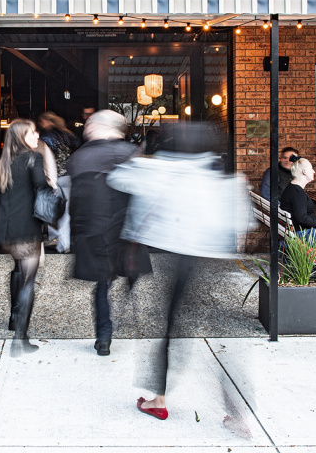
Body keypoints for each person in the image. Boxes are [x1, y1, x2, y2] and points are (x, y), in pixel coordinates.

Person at [107, 122, 251, 421]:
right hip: (215, 263)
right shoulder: (222, 177)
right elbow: (244, 222)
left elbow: (117, 179)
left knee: (171, 331)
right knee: (222, 336)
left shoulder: (163, 169)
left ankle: (158, 399)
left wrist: (138, 158)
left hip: (180, 262)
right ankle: (237, 411)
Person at [68, 110, 148, 357]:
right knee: (127, 275)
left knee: (103, 285)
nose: (86, 128)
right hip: (126, 232)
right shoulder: (132, 154)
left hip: (96, 233)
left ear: (103, 126)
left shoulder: (80, 157)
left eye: (90, 124)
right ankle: (127, 314)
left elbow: (77, 203)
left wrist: (75, 234)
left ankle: (104, 336)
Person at [0, 118, 51, 355]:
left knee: (18, 271)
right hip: (27, 229)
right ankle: (20, 338)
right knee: (28, 280)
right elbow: (42, 188)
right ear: (20, 137)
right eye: (32, 133)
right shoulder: (32, 158)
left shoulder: (2, 164)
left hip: (8, 231)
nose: (37, 136)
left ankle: (13, 318)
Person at [37, 111, 80, 253]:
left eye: (42, 121)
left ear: (48, 122)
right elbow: (77, 146)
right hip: (68, 176)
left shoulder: (46, 136)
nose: (41, 124)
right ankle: (64, 244)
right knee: (65, 211)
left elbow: (40, 153)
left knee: (48, 207)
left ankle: (54, 238)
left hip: (52, 177)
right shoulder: (68, 135)